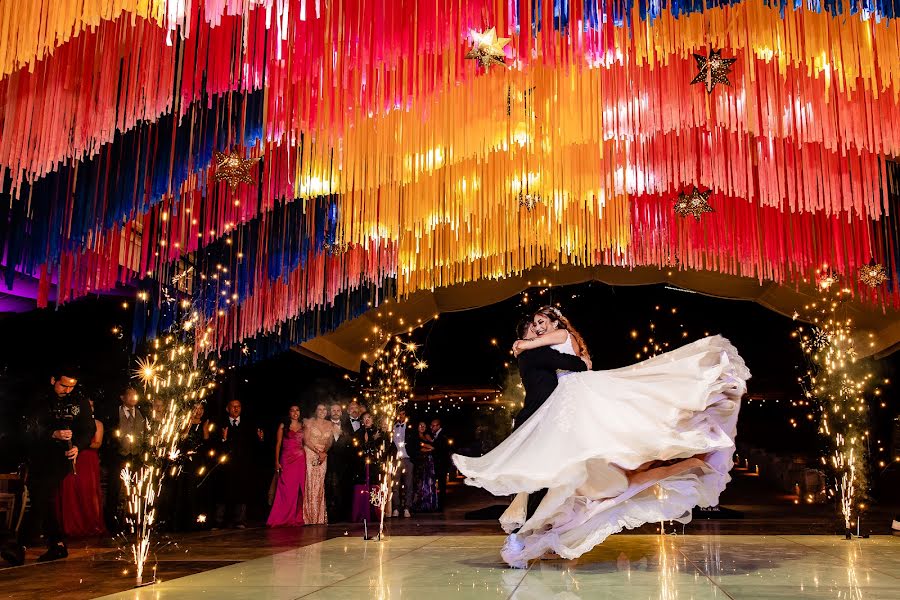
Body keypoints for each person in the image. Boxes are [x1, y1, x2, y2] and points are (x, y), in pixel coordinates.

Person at [453, 306, 749, 568]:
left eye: (542, 322)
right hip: (556, 413)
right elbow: (578, 363)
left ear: (556, 323)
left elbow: (578, 364)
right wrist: (526, 344)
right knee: (566, 477)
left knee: (572, 474)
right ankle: (535, 537)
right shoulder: (540, 350)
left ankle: (530, 537)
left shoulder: (552, 340)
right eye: (535, 324)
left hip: (570, 407)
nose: (539, 327)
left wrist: (523, 343)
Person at [2, 367, 95, 566]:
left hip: (62, 459)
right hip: (39, 456)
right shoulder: (39, 400)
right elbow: (28, 427)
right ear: (53, 380)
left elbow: (88, 429)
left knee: (41, 496)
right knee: (45, 499)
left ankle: (19, 546)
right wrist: (52, 434)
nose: (67, 390)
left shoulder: (79, 401)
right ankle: (57, 544)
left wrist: (78, 446)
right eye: (63, 385)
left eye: (72, 386)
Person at [55, 397, 106, 537]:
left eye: (91, 406)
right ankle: (69, 523)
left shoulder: (97, 424)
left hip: (88, 458)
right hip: (74, 456)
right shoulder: (74, 424)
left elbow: (98, 443)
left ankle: (91, 522)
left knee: (88, 491)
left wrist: (80, 443)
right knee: (70, 489)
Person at [214, 399, 263, 528]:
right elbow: (215, 445)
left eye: (238, 407)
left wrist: (260, 439)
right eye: (233, 407)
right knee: (223, 492)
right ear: (227, 409)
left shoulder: (248, 425)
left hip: (242, 465)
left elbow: (255, 447)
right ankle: (219, 521)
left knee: (242, 492)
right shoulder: (221, 424)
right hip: (226, 465)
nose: (236, 409)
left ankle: (240, 520)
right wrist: (224, 439)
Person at [104, 386, 147, 532]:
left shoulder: (142, 413)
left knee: (136, 490)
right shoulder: (114, 413)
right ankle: (111, 523)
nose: (133, 398)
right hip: (118, 456)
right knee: (114, 489)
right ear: (122, 397)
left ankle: (133, 522)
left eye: (135, 395)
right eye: (130, 395)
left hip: (136, 456)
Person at [166, 402, 211, 531]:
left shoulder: (205, 423)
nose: (199, 411)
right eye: (196, 409)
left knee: (198, 488)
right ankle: (184, 521)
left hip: (199, 461)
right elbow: (181, 439)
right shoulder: (184, 423)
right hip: (186, 462)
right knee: (185, 489)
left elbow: (206, 443)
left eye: (201, 408)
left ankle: (199, 521)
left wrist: (205, 430)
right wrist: (188, 424)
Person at [267, 405, 307, 527]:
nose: (295, 412)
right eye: (292, 410)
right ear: (289, 413)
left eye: (297, 410)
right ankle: (281, 517)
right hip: (287, 460)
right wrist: (276, 461)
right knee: (286, 489)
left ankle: (296, 517)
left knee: (298, 490)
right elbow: (278, 444)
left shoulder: (304, 426)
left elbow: (307, 443)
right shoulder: (283, 426)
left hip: (300, 460)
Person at [302, 403, 333, 525]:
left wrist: (324, 452)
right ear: (316, 411)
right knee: (309, 482)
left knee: (320, 484)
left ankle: (319, 517)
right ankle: (308, 517)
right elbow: (306, 439)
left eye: (324, 409)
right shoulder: (310, 422)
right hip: (310, 453)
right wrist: (317, 451)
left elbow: (330, 442)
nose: (322, 411)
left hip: (323, 455)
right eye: (319, 409)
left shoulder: (330, 425)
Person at [325, 403, 353, 523]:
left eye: (338, 410)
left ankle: (343, 514)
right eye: (333, 410)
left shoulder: (347, 426)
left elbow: (352, 443)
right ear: (330, 412)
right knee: (330, 487)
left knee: (342, 487)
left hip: (344, 462)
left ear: (341, 413)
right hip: (329, 460)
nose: (336, 412)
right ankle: (331, 515)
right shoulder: (325, 425)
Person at [390, 408, 415, 518]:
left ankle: (407, 508)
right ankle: (396, 508)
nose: (401, 416)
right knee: (395, 485)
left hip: (408, 459)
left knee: (409, 485)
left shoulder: (411, 427)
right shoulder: (393, 428)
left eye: (403, 414)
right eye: (399, 414)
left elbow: (416, 444)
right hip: (396, 460)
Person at [412, 421, 439, 512]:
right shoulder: (415, 437)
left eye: (424, 426)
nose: (422, 427)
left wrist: (427, 446)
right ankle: (418, 505)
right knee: (420, 483)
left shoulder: (427, 436)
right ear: (417, 427)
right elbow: (420, 448)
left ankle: (429, 504)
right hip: (420, 462)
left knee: (429, 482)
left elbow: (433, 446)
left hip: (429, 461)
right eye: (420, 425)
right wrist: (428, 448)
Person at [430, 418, 451, 510]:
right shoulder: (436, 435)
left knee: (442, 485)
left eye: (434, 426)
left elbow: (440, 449)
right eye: (431, 425)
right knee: (440, 484)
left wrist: (431, 447)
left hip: (441, 463)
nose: (432, 427)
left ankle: (441, 505)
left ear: (438, 426)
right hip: (439, 463)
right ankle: (438, 503)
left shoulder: (442, 436)